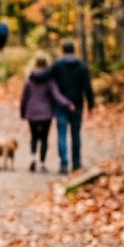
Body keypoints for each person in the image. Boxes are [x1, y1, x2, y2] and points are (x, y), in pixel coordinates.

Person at [20, 53, 73, 172]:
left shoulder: (29, 79)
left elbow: (24, 98)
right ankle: (42, 163)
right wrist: (67, 103)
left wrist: (23, 112)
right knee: (44, 138)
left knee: (34, 137)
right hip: (46, 113)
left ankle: (33, 158)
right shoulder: (49, 80)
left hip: (32, 112)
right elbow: (56, 95)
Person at [47, 40, 95, 173]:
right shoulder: (81, 66)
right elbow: (88, 87)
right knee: (75, 135)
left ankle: (63, 164)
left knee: (61, 135)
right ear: (74, 50)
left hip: (61, 105)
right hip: (77, 104)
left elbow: (48, 81)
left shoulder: (56, 65)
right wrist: (91, 105)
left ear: (62, 50)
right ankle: (76, 163)